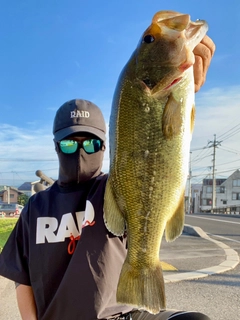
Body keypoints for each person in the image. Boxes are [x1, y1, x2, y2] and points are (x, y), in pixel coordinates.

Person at [0, 35, 215, 320]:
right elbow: (21, 278)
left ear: (104, 145)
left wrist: (178, 103)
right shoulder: (34, 208)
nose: (79, 150)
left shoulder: (115, 188)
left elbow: (151, 156)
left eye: (89, 143)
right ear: (56, 146)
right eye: (68, 143)